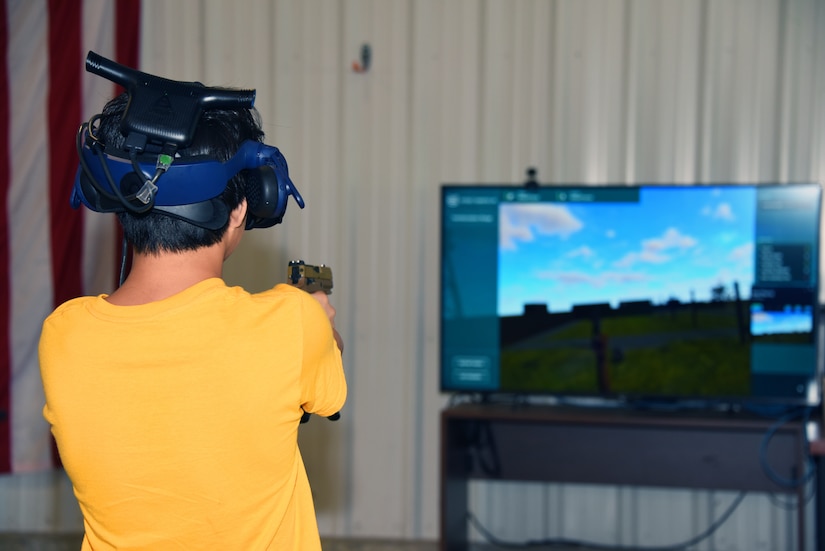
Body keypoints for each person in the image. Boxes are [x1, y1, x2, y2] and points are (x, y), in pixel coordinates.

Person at [38, 76, 346, 549]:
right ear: (242, 207)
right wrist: (319, 327)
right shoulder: (293, 324)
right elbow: (326, 396)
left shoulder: (63, 337)